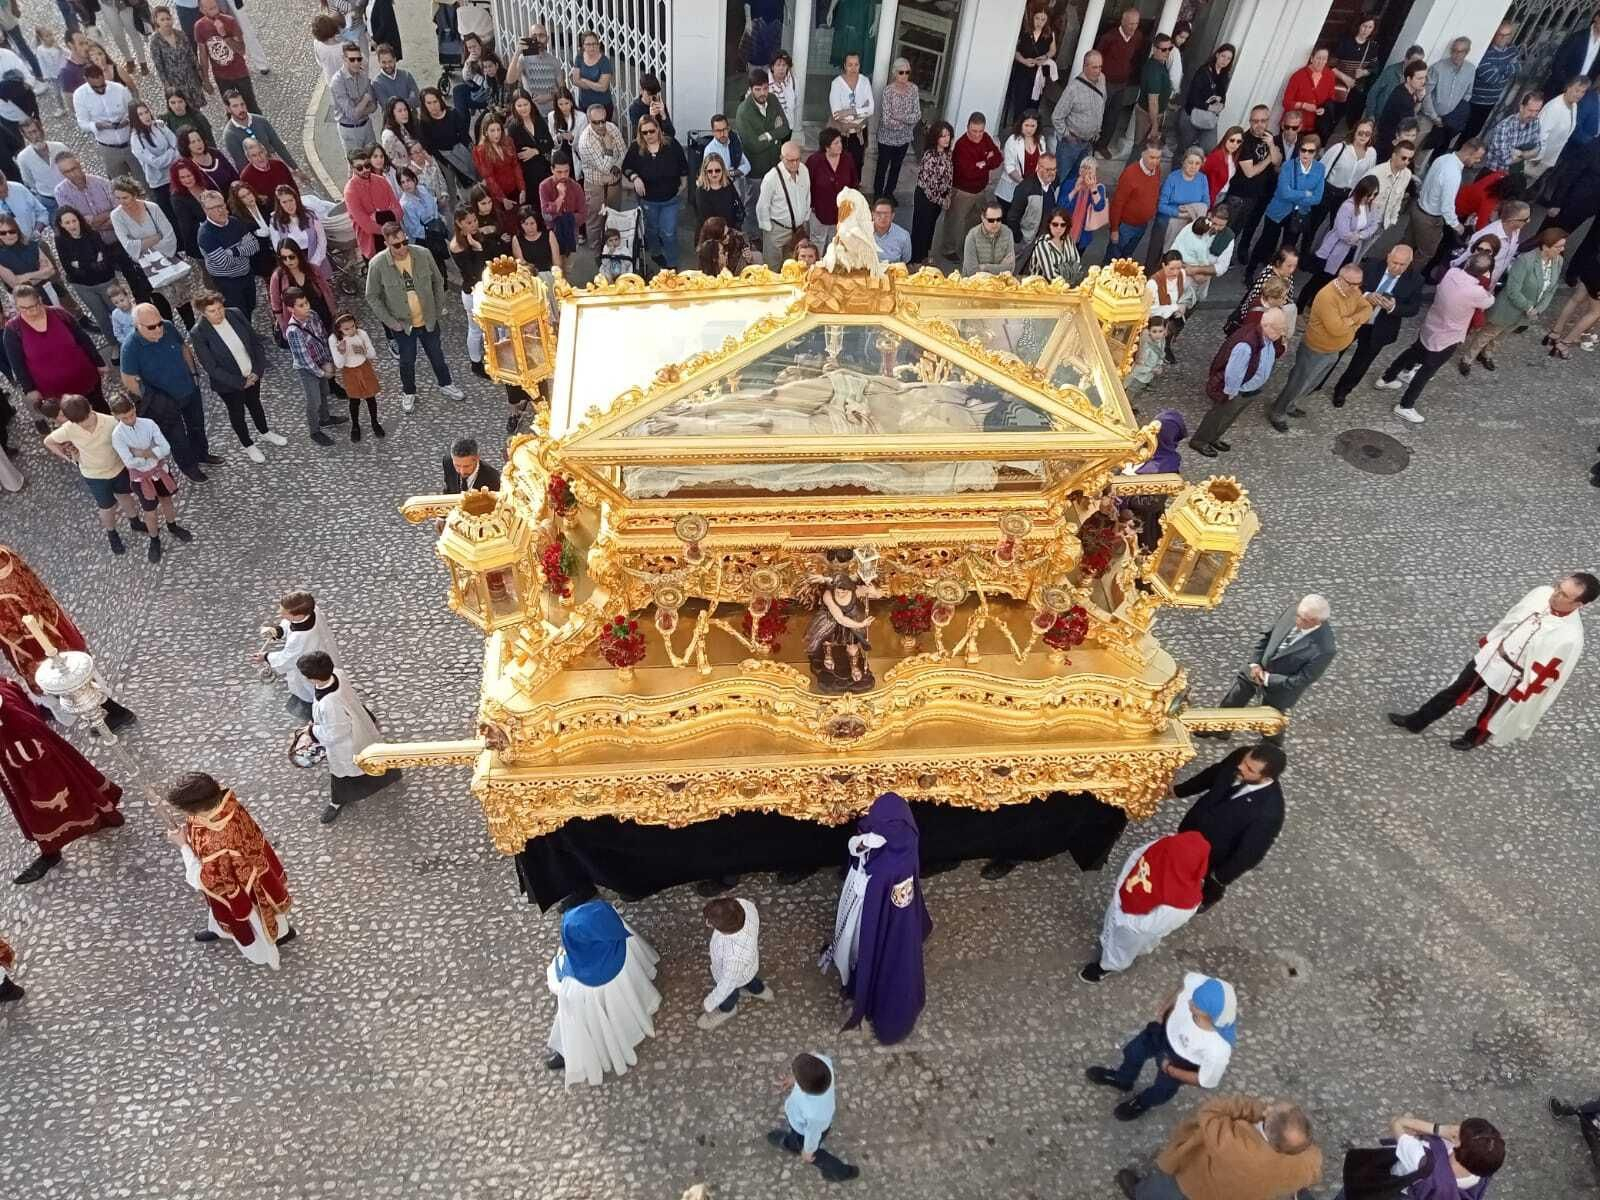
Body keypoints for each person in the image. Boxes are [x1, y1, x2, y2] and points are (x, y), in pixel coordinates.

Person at [1389, 573, 1594, 749]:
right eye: (1558, 587)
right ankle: (1416, 721)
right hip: (1494, 654)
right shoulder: (1542, 593)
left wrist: (1524, 689)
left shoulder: (1570, 636)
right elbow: (1513, 615)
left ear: (1578, 604)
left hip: (1514, 675)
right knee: (1454, 690)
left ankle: (1474, 738)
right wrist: (1492, 638)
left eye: (1563, 595)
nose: (1555, 594)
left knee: (1493, 711)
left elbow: (1549, 670)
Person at [818, 791, 931, 1046]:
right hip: (861, 904)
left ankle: (866, 990)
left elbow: (885, 891)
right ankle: (855, 977)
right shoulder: (886, 837)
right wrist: (860, 846)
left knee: (871, 949)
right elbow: (857, 848)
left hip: (871, 910)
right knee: (853, 947)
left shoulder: (896, 863)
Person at [0, 676, 124, 883]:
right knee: (64, 776)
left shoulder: (13, 722)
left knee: (41, 796)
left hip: (21, 749)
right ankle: (104, 814)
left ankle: (51, 849)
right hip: (18, 736)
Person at [0, 543, 136, 730]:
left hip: (38, 639)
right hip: (47, 620)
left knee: (68, 676)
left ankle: (116, 711)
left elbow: (10, 622)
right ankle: (49, 704)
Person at [165, 771, 294, 967]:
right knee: (270, 909)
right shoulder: (227, 803)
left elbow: (204, 880)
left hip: (241, 890)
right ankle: (276, 932)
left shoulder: (214, 843)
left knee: (253, 923)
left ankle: (267, 949)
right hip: (256, 871)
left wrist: (183, 845)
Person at [1086, 971, 1238, 1122]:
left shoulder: (1218, 1048)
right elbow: (1182, 989)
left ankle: (1142, 1103)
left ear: (1209, 1016)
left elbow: (1203, 1080)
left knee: (1163, 1089)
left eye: (1195, 1005)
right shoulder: (1200, 986)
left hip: (1181, 1061)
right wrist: (1162, 1013)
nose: (1189, 1002)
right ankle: (1122, 1079)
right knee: (1133, 1052)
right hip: (1163, 1031)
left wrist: (1170, 1069)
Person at [544, 898, 659, 1085]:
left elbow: (556, 983)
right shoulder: (618, 931)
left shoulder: (574, 984)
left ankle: (568, 1054)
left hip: (587, 990)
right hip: (617, 974)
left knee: (569, 1016)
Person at [1116, 1098, 1321, 1200]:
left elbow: (1211, 1112)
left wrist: (1255, 1109)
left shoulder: (1232, 1139)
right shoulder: (1304, 1164)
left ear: (1268, 1118)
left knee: (1159, 1190)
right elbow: (1312, 1164)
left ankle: (1139, 1193)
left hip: (1189, 1181)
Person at [1378, 250, 1496, 424]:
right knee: (1427, 371)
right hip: (1448, 336)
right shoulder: (1476, 292)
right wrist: (1487, 280)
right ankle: (1405, 405)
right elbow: (1489, 301)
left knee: (1414, 351)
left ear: (1468, 263)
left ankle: (1387, 378)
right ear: (1485, 272)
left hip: (1431, 324)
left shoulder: (1452, 273)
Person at [1080, 831, 1209, 983]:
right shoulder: (1164, 847)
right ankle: (1109, 944)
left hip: (1134, 925)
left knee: (1123, 948)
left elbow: (1150, 927)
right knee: (1114, 933)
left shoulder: (1184, 903)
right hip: (1126, 903)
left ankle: (1108, 966)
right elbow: (1137, 858)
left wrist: (1123, 913)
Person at [1173, 742, 1287, 909]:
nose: (1240, 766)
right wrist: (1179, 791)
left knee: (1196, 892)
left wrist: (1219, 877)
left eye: (1249, 769)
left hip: (1210, 858)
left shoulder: (1270, 811)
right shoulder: (1242, 756)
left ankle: (1203, 901)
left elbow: (1250, 854)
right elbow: (1212, 775)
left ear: (1267, 779)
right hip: (1189, 831)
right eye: (1244, 761)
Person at [295, 648, 401, 823]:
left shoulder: (329, 703)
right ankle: (392, 774)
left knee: (342, 772)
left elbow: (335, 732)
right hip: (360, 726)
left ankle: (337, 801)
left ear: (313, 679)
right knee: (371, 760)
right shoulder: (337, 674)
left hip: (347, 744)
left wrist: (311, 732)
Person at [1207, 595, 1335, 741]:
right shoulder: (1293, 611)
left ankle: (1271, 748)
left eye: (1304, 620)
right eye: (1298, 615)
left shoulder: (1325, 648)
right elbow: (1266, 637)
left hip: (1280, 690)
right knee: (1232, 701)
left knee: (1271, 724)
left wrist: (1267, 679)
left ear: (1317, 621)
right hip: (1255, 670)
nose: (1297, 621)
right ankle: (1220, 729)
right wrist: (1255, 664)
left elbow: (1303, 679)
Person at [365, 223, 462, 413]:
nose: (402, 248)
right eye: (396, 245)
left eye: (405, 242)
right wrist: (391, 322)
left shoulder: (422, 254)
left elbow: (438, 280)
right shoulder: (377, 264)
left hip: (428, 319)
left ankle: (446, 383)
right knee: (407, 361)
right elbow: (372, 296)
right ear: (386, 244)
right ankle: (408, 392)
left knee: (437, 355)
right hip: (403, 324)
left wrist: (437, 308)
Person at [42, 392, 150, 554]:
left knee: (125, 496)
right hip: (94, 476)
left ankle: (134, 521)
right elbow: (49, 441)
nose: (85, 425)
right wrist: (67, 457)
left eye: (86, 419)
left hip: (118, 468)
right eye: (79, 423)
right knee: (107, 507)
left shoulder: (111, 422)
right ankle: (112, 533)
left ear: (91, 408)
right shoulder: (69, 428)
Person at [119, 301, 217, 478]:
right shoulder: (130, 347)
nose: (158, 329)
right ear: (137, 325)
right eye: (151, 327)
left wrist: (194, 373)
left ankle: (202, 454)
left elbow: (183, 348)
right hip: (165, 403)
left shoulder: (169, 327)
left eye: (159, 323)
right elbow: (128, 379)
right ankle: (189, 467)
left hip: (189, 389)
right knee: (177, 438)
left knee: (197, 426)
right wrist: (151, 399)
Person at [1327, 243, 1422, 407]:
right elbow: (1347, 285)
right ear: (1388, 257)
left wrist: (1393, 307)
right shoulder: (1371, 266)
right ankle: (1317, 381)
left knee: (1361, 364)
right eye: (1394, 262)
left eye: (1402, 265)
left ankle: (1342, 391)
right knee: (1334, 352)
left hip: (1379, 327)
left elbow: (1413, 308)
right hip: (1354, 319)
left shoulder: (1416, 280)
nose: (1397, 268)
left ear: (1409, 263)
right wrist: (1366, 295)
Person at [189, 290, 278, 465]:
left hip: (251, 374)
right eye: (212, 311)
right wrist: (240, 382)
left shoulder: (235, 314)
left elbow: (254, 342)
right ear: (203, 313)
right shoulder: (198, 333)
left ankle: (265, 431)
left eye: (220, 308)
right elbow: (211, 367)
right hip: (229, 384)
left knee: (255, 403)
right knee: (237, 413)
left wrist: (257, 370)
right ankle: (248, 444)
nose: (218, 313)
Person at [1459, 227, 1564, 374]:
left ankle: (1486, 355)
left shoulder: (1558, 261)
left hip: (1527, 312)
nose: (1562, 249)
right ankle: (1467, 359)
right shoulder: (1526, 260)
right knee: (1488, 334)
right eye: (1558, 246)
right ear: (1546, 246)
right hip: (1509, 308)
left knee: (1503, 335)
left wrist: (1539, 309)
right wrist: (1529, 308)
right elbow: (1513, 289)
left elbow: (1552, 288)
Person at [4, 285, 107, 429]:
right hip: (54, 393)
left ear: (40, 300)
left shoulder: (59, 314)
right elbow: (17, 364)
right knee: (73, 426)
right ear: (16, 307)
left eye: (33, 306)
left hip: (85, 378)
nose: (29, 311)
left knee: (101, 413)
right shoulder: (13, 330)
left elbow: (83, 339)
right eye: (23, 308)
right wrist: (29, 389)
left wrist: (99, 362)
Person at [1189, 306, 1288, 456]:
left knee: (1229, 416)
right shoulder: (1246, 344)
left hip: (1249, 389)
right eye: (1279, 329)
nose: (1282, 333)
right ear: (1266, 325)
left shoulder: (1267, 336)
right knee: (1218, 415)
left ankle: (1214, 438)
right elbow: (1234, 372)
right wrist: (1231, 392)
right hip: (1237, 390)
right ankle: (1200, 441)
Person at [108, 393, 192, 563]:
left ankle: (172, 526)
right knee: (150, 511)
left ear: (134, 408)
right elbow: (129, 462)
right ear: (115, 416)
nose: (130, 419)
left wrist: (142, 453)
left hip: (159, 471)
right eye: (125, 418)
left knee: (167, 500)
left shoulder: (148, 423)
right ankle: (154, 539)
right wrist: (153, 452)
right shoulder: (117, 435)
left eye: (132, 414)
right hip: (141, 479)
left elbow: (166, 448)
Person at [1345, 1115, 1505, 1199]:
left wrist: (1439, 1129)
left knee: (1353, 1190)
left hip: (1392, 1185)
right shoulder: (1481, 1170)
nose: (1456, 1127)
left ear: (1458, 1143)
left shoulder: (1422, 1159)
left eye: (1460, 1129)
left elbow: (1398, 1123)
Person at [769, 1052, 860, 1182]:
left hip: (803, 1130)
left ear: (803, 1088)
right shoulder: (824, 1062)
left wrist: (808, 1151)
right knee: (799, 1141)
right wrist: (794, 1079)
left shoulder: (814, 1114)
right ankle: (791, 1143)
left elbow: (812, 1134)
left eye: (797, 1077)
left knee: (814, 1154)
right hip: (813, 1121)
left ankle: (842, 1172)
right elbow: (815, 1056)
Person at [1301, 118, 1376, 261]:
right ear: (1354, 132)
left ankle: (1322, 257)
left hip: (1347, 196)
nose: (1363, 136)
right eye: (1360, 132)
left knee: (1337, 229)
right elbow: (1321, 170)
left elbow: (1367, 176)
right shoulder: (1340, 148)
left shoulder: (1371, 153)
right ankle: (1304, 254)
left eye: (1367, 134)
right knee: (1313, 224)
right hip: (1328, 190)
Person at [1248, 135, 1324, 274]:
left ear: (1316, 152)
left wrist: (1295, 194)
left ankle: (1277, 275)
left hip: (1298, 214)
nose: (1306, 154)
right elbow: (1284, 193)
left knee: (1287, 249)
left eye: (1311, 151)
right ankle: (1250, 271)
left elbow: (1317, 198)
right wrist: (1305, 193)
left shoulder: (1320, 169)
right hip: (1278, 211)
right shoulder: (1288, 166)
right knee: (1265, 242)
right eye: (1303, 150)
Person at [695, 896, 771, 1030]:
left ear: (726, 930)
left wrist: (709, 1004)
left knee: (730, 994)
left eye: (711, 923)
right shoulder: (745, 905)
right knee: (749, 979)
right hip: (749, 965)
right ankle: (760, 991)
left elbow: (727, 985)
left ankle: (727, 1010)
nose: (707, 923)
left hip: (733, 975)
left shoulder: (734, 956)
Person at [622, 114, 687, 270]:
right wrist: (635, 177)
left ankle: (672, 264)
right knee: (652, 229)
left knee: (668, 232)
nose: (649, 135)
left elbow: (682, 164)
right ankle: (656, 252)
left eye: (652, 131)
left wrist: (684, 183)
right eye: (644, 132)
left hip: (670, 198)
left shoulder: (671, 144)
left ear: (658, 129)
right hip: (648, 200)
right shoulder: (636, 147)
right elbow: (626, 167)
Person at [938, 112, 1001, 265]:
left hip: (980, 190)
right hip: (963, 191)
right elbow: (968, 173)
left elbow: (998, 158)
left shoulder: (986, 138)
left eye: (980, 131)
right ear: (967, 127)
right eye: (974, 131)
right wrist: (987, 160)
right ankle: (948, 249)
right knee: (955, 221)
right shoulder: (962, 145)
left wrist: (982, 164)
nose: (978, 135)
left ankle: (968, 246)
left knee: (974, 221)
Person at [1409, 138, 1483, 270]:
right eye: (1477, 158)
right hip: (1429, 219)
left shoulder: (1444, 158)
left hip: (1418, 207)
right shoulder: (1453, 174)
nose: (1478, 161)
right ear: (1469, 153)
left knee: (1406, 243)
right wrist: (1458, 226)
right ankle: (1406, 276)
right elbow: (1447, 207)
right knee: (1425, 253)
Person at [281, 287, 339, 446]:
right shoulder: (293, 331)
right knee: (314, 400)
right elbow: (304, 359)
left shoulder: (313, 315)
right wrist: (323, 373)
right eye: (301, 305)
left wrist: (329, 361)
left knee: (324, 391)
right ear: (291, 308)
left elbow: (323, 337)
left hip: (321, 362)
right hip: (307, 369)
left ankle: (325, 418)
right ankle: (314, 431)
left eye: (306, 303)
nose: (306, 307)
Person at [1227, 106, 1283, 263]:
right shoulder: (1244, 141)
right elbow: (1250, 172)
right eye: (1255, 121)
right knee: (1228, 228)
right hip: (1239, 194)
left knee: (1240, 228)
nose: (1259, 124)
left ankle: (1225, 257)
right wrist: (1268, 158)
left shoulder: (1269, 137)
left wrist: (1271, 146)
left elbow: (1277, 161)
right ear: (1250, 121)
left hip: (1256, 194)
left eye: (1263, 121)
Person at [195, 187, 259, 317]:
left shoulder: (235, 222)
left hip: (246, 275)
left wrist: (233, 251)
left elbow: (254, 246)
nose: (220, 210)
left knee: (251, 306)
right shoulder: (206, 234)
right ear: (205, 210)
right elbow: (224, 263)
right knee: (239, 315)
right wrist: (243, 251)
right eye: (213, 208)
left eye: (221, 205)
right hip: (227, 282)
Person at [71, 64, 136, 183]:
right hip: (108, 149)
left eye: (102, 85)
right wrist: (98, 125)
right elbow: (82, 123)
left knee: (144, 180)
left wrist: (127, 120)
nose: (101, 90)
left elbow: (133, 109)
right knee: (121, 185)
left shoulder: (119, 89)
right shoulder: (79, 96)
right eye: (96, 87)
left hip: (131, 143)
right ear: (86, 80)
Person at [1094, 7, 1145, 156]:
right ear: (1123, 22)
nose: (1133, 27)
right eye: (1130, 24)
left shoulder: (1137, 37)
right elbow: (1097, 57)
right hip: (1105, 82)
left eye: (1136, 24)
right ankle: (1090, 143)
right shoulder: (1109, 37)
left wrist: (1129, 73)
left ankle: (1103, 145)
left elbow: (1137, 57)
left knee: (1114, 115)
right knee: (1098, 113)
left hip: (1122, 83)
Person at [268, 238, 336, 349]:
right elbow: (276, 305)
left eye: (291, 257)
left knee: (329, 346)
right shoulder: (278, 276)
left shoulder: (313, 269)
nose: (288, 261)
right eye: (284, 258)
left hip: (321, 316)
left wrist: (334, 314)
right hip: (299, 323)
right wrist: (284, 327)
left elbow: (326, 292)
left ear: (298, 254)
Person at [574, 102, 625, 250]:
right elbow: (604, 168)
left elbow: (623, 152)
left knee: (614, 217)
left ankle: (614, 249)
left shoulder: (612, 128)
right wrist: (609, 148)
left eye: (603, 120)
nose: (601, 125)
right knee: (595, 221)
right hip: (596, 186)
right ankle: (597, 252)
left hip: (614, 183)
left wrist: (616, 167)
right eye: (596, 122)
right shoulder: (585, 141)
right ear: (589, 121)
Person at [193, 0, 257, 115]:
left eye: (215, 7)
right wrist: (206, 80)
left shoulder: (230, 21)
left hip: (240, 73)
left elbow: (241, 50)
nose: (215, 11)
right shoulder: (199, 27)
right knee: (230, 110)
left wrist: (224, 35)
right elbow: (203, 55)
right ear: (202, 10)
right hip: (221, 77)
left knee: (251, 106)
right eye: (210, 9)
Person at [219, 92, 301, 180]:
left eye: (242, 104)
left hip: (274, 164)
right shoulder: (230, 134)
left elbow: (278, 145)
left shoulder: (260, 121)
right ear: (228, 109)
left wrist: (295, 167)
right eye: (235, 106)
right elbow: (241, 163)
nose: (241, 109)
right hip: (257, 174)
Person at [329, 311, 383, 442]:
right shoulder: (334, 339)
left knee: (370, 398)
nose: (351, 330)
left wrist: (363, 351)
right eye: (346, 329)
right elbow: (339, 364)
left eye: (353, 326)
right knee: (354, 400)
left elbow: (372, 354)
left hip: (364, 367)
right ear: (339, 329)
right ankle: (355, 426)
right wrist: (342, 352)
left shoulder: (361, 333)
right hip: (349, 371)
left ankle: (375, 422)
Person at [1052, 50, 1105, 184]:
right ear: (1085, 66)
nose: (1098, 71)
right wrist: (1067, 136)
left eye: (1100, 67)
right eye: (1094, 67)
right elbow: (1056, 117)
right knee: (1060, 178)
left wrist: (1096, 130)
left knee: (1079, 179)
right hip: (1071, 144)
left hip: (1088, 143)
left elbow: (1101, 106)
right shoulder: (1073, 89)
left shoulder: (1102, 79)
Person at [756, 140, 810, 269]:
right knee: (772, 267)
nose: (795, 164)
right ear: (782, 158)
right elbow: (762, 205)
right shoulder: (771, 177)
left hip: (797, 229)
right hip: (777, 229)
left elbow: (807, 195)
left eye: (797, 159)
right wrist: (768, 229)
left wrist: (805, 218)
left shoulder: (804, 170)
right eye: (790, 160)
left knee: (794, 267)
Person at [1105, 142, 1163, 263]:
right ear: (1143, 154)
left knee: (1126, 257)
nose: (1155, 162)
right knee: (1113, 260)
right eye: (1152, 157)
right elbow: (1117, 203)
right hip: (1125, 226)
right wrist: (1114, 229)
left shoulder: (1157, 170)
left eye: (1158, 158)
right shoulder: (1130, 174)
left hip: (1142, 225)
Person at [734, 67, 790, 187]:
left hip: (775, 166)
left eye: (765, 88)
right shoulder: (743, 112)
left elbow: (786, 128)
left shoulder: (773, 99)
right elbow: (754, 146)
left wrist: (767, 135)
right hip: (755, 171)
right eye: (757, 89)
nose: (762, 93)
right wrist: (776, 135)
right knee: (754, 199)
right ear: (750, 89)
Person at [805, 126, 857, 250]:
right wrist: (811, 206)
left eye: (840, 142)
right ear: (827, 146)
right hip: (819, 212)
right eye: (836, 143)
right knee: (817, 243)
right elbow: (807, 186)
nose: (840, 145)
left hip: (841, 213)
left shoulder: (847, 158)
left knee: (835, 243)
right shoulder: (814, 161)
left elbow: (854, 182)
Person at [1224, 246, 1297, 335]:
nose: (1292, 270)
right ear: (1278, 263)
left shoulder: (1286, 275)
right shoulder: (1268, 279)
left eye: (1294, 266)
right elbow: (1255, 304)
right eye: (1289, 266)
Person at [1155, 148, 1210, 266]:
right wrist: (1180, 214)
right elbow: (1161, 205)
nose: (1193, 167)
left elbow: (1206, 204)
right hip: (1172, 218)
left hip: (1192, 220)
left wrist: (1189, 211)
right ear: (1183, 162)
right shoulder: (1173, 178)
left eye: (1197, 163)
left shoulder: (1202, 179)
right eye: (1190, 162)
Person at [1176, 43, 1233, 156]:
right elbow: (1192, 97)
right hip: (1191, 115)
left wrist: (1221, 105)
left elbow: (1223, 97)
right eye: (1223, 56)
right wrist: (1210, 107)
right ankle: (1177, 167)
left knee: (1208, 148)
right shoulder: (1203, 72)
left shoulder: (1224, 76)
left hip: (1209, 118)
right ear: (1217, 55)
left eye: (1228, 58)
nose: (1225, 60)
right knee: (1183, 151)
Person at [874, 57, 918, 199]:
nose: (904, 75)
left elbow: (917, 115)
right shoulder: (888, 91)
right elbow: (887, 120)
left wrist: (899, 117)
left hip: (904, 138)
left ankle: (889, 193)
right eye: (901, 72)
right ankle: (877, 195)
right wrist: (907, 121)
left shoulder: (913, 90)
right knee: (882, 167)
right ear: (894, 73)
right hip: (886, 138)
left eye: (907, 72)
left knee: (896, 167)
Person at [1170, 205, 1233, 305]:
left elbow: (1222, 267)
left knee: (1192, 303)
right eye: (1214, 223)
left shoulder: (1228, 238)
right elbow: (1174, 250)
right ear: (1209, 216)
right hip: (1180, 273)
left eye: (1221, 226)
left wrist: (1196, 270)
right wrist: (1188, 269)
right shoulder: (1195, 226)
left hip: (1202, 280)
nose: (1216, 228)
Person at [910, 120, 953, 265]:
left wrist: (948, 195)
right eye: (942, 136)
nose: (946, 139)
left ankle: (924, 255)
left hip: (939, 199)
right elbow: (929, 187)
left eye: (948, 135)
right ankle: (915, 259)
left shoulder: (947, 153)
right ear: (935, 137)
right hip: (926, 198)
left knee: (930, 228)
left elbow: (949, 175)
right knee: (921, 229)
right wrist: (942, 200)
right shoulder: (930, 156)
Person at [418, 86, 476, 190]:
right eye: (429, 103)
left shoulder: (452, 113)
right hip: (443, 156)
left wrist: (471, 149)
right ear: (424, 105)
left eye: (435, 102)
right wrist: (446, 162)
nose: (433, 106)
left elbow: (464, 135)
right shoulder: (424, 123)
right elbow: (430, 147)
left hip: (460, 149)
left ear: (440, 100)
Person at [53, 152, 117, 244]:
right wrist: (109, 214)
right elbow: (76, 222)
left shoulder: (102, 183)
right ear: (62, 173)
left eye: (74, 169)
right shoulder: (61, 192)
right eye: (67, 172)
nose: (73, 174)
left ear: (79, 165)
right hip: (91, 245)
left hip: (116, 238)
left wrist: (93, 225)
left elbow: (119, 210)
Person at [1006, 6, 1056, 127]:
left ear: (1047, 20)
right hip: (1022, 72)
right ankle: (1017, 129)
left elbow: (1052, 51)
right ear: (1032, 17)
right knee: (1020, 103)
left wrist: (1045, 57)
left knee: (1033, 104)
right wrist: (1024, 61)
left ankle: (1030, 129)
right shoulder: (1024, 32)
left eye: (1043, 19)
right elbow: (1015, 51)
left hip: (1038, 75)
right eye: (1037, 18)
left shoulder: (1049, 34)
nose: (1039, 22)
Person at [828, 51, 872, 178]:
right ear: (845, 66)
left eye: (856, 65)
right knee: (839, 165)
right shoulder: (837, 83)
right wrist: (861, 111)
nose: (853, 68)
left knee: (857, 164)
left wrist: (849, 111)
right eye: (850, 65)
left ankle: (854, 188)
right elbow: (836, 114)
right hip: (842, 133)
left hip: (859, 133)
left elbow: (871, 109)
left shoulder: (865, 82)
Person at [1130, 34, 1174, 161]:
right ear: (1155, 49)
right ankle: (1129, 172)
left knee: (1145, 149)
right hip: (1148, 116)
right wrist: (1154, 126)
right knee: (1141, 150)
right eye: (1163, 49)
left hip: (1154, 114)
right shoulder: (1153, 70)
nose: (1167, 52)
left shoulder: (1160, 64)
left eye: (1169, 49)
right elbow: (1153, 101)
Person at [328, 39, 376, 153]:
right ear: (344, 59)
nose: (356, 63)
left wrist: (358, 109)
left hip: (367, 126)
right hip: (350, 130)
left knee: (374, 158)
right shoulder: (338, 81)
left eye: (359, 59)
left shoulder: (363, 75)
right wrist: (365, 99)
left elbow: (374, 106)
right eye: (352, 59)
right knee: (357, 162)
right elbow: (352, 115)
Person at [1483, 90, 1545, 174]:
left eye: (1537, 111)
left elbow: (1538, 148)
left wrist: (1520, 154)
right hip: (1494, 173)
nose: (1533, 115)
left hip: (1515, 172)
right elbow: (1505, 160)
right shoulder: (1504, 127)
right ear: (1521, 107)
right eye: (1530, 110)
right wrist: (1527, 154)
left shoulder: (1535, 122)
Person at [1543, 8, 1600, 101]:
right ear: (1596, 18)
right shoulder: (1577, 37)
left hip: (1580, 94)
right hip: (1559, 88)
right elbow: (1558, 63)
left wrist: (1583, 90)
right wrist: (1567, 86)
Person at [1366, 139, 1416, 238]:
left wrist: (1393, 219)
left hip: (1382, 224)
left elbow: (1399, 198)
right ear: (1394, 155)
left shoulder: (1407, 174)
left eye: (1410, 159)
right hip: (1365, 222)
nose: (1406, 162)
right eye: (1404, 158)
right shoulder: (1375, 173)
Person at [996, 110, 1045, 209]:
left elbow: (1042, 163)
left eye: (1033, 126)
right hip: (1010, 189)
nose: (1029, 129)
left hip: (1030, 191)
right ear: (1021, 124)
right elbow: (1009, 167)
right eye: (1026, 125)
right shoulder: (1013, 140)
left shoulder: (1041, 140)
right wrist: (1024, 184)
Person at [1024, 206, 1084, 283]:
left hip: (1065, 286)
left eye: (1063, 225)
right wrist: (1068, 269)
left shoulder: (1068, 240)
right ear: (1049, 224)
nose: (1059, 228)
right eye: (1055, 224)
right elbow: (1051, 276)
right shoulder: (1043, 244)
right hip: (1042, 286)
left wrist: (1061, 269)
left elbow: (1077, 265)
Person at [509, 22, 560, 111]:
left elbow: (562, 89)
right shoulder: (523, 59)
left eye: (541, 36)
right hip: (532, 112)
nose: (538, 39)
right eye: (534, 36)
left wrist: (549, 97)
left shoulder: (554, 61)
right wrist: (517, 53)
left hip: (553, 111)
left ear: (547, 39)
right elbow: (510, 80)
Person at [567, 30, 615, 122]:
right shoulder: (579, 58)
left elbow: (603, 87)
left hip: (602, 105)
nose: (592, 47)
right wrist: (595, 85)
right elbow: (575, 81)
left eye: (595, 44)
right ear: (583, 46)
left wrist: (585, 81)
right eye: (588, 44)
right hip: (584, 104)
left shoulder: (604, 61)